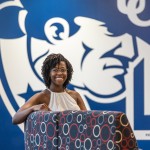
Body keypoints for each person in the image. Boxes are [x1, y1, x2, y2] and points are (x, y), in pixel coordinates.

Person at [12, 53, 87, 124]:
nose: (60, 73)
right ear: (48, 73)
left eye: (63, 70)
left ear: (68, 73)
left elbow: (87, 119)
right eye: (55, 70)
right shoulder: (41, 96)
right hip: (54, 137)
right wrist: (33, 108)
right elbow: (15, 119)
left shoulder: (75, 95)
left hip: (76, 137)